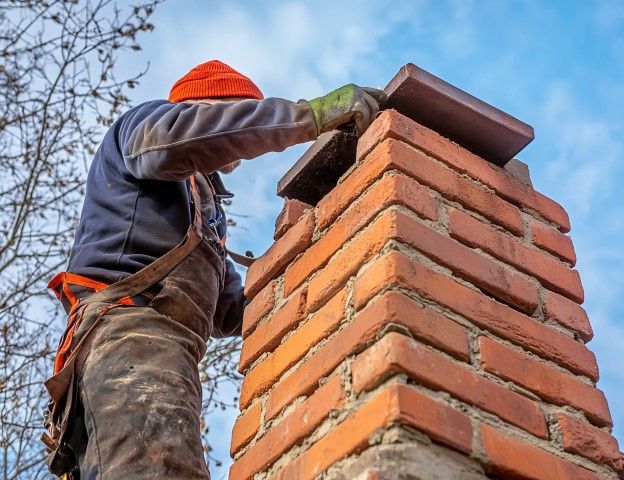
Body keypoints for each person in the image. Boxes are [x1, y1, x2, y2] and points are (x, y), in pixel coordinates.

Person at [41, 59, 386, 479]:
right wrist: (307, 117)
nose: (239, 150)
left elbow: (230, 313)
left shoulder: (204, 214)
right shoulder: (147, 126)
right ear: (208, 107)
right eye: (237, 115)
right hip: (127, 334)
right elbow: (182, 139)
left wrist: (314, 265)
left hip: (167, 354)